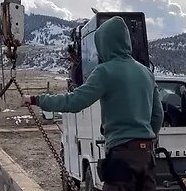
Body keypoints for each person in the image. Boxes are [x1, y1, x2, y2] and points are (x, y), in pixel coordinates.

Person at [22, 16, 164, 191]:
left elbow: (74, 102)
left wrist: (37, 100)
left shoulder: (105, 71)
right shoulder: (146, 73)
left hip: (122, 156)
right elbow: (158, 114)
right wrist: (149, 138)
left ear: (104, 44)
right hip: (146, 156)